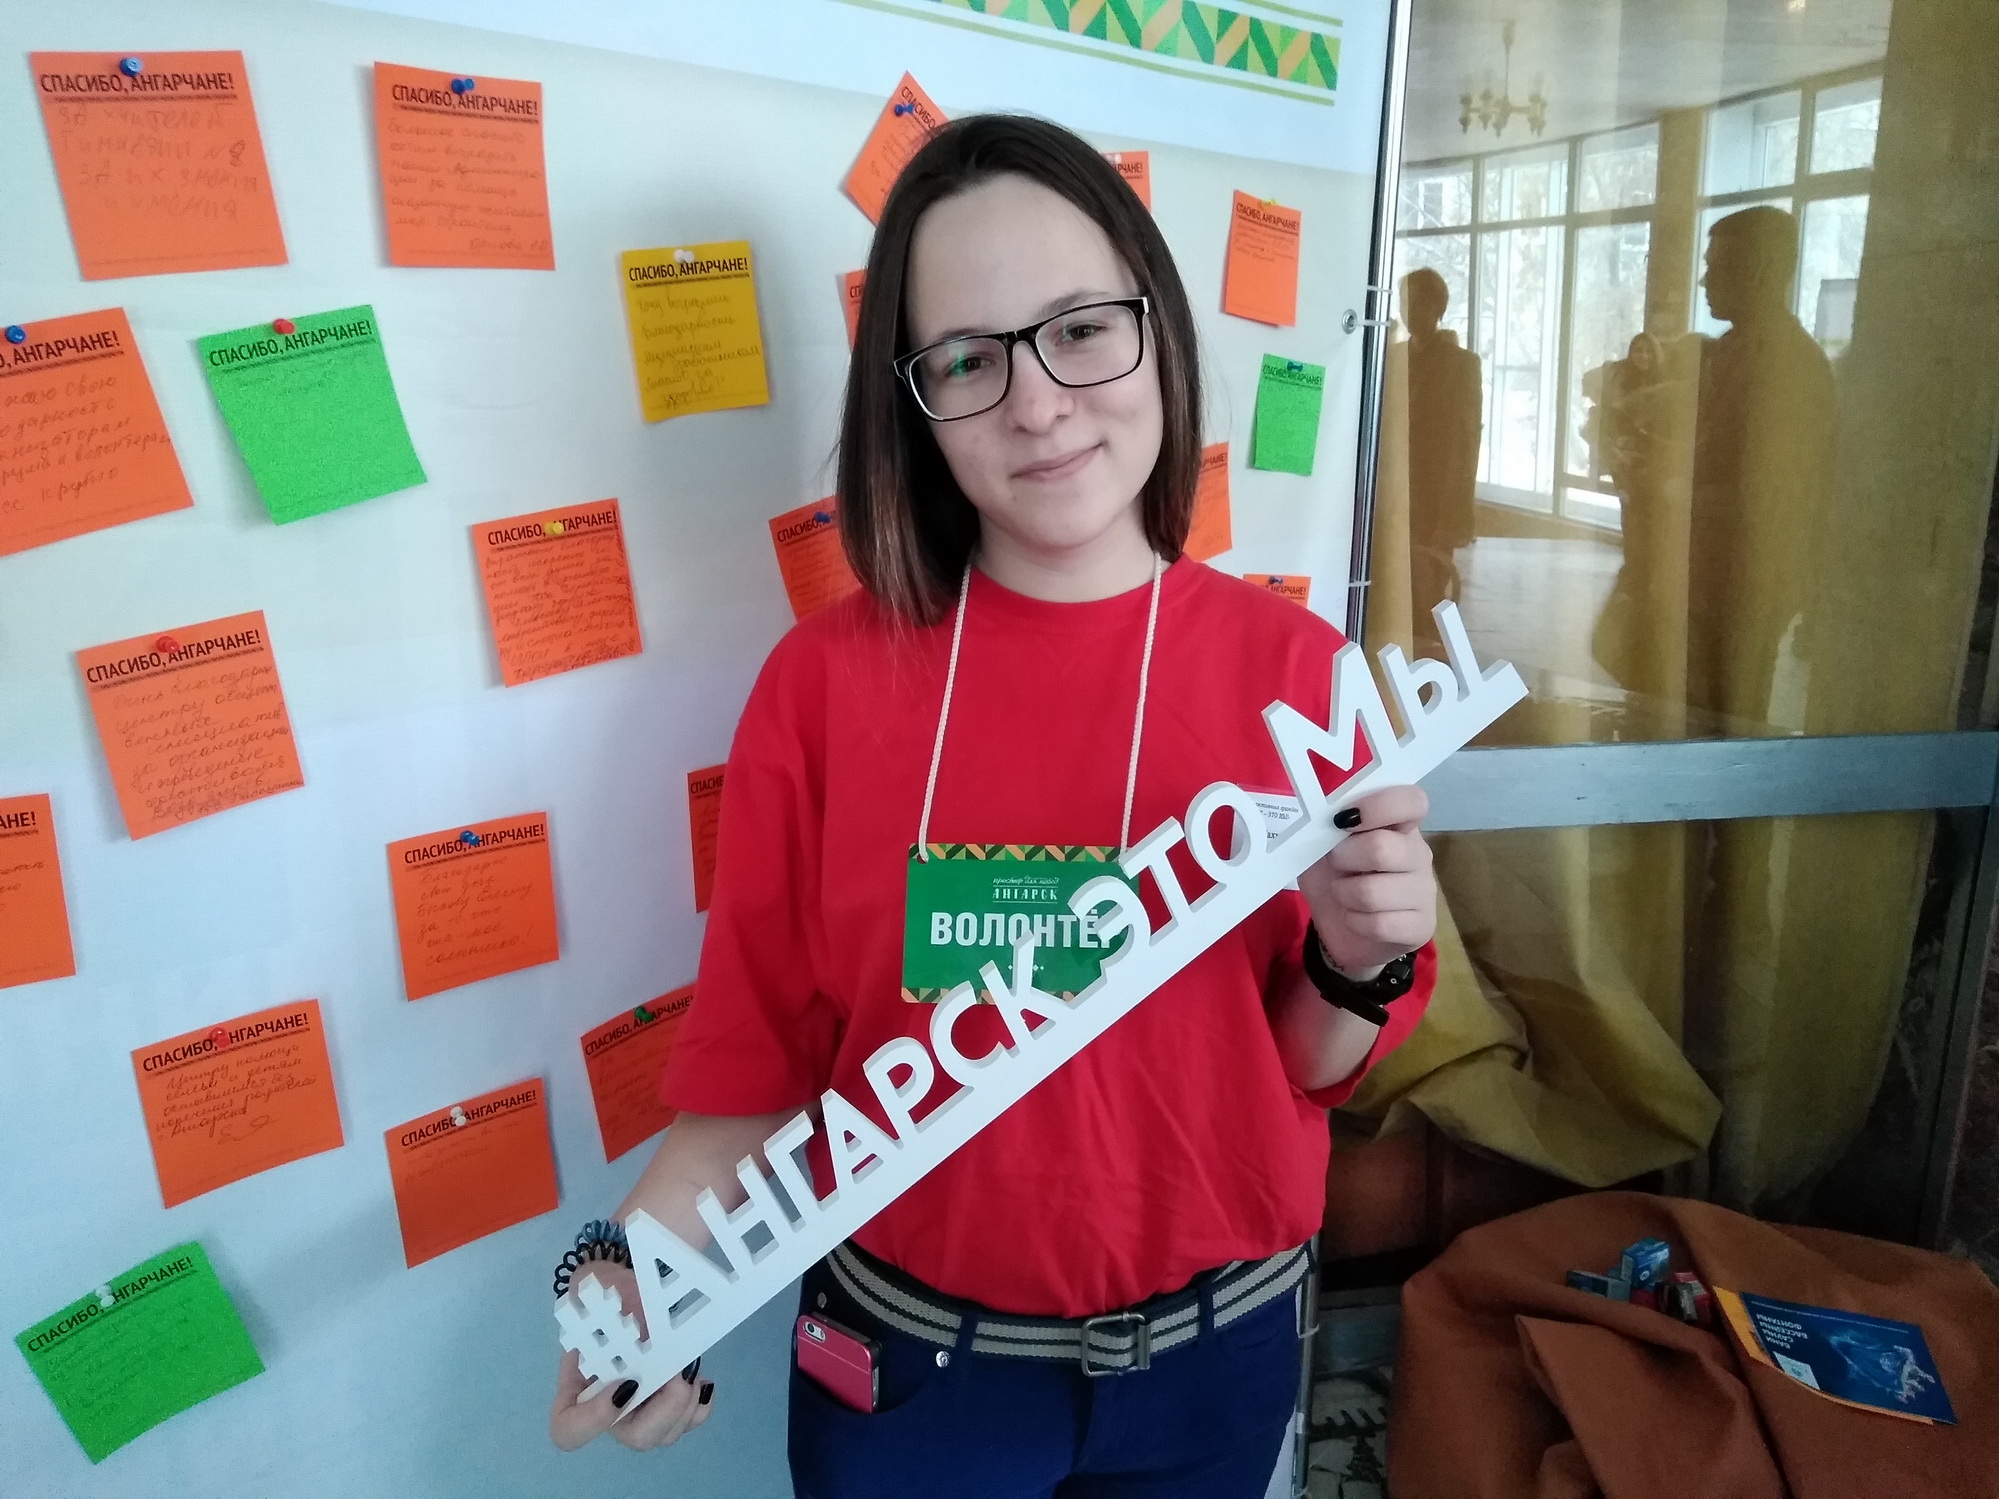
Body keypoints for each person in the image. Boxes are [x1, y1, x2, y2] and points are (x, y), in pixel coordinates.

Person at [546, 115, 1439, 1498]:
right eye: (968, 358)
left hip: (1214, 1367)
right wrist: (626, 1283)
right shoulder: (821, 689)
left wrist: (1357, 952)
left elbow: (1309, 1066)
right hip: (909, 1386)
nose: (1036, 402)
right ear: (912, 403)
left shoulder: (1298, 674)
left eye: (1079, 329)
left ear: (1156, 330)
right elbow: (747, 1082)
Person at [1399, 267, 1481, 651]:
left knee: (1428, 590)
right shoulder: (1395, 357)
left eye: (1418, 302)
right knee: (1396, 588)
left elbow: (1465, 443)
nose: (1409, 310)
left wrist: (1454, 513)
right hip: (1397, 491)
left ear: (1437, 307)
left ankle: (1427, 665)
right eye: (1405, 301)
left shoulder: (1461, 365)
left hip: (1436, 496)